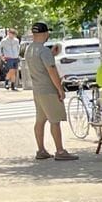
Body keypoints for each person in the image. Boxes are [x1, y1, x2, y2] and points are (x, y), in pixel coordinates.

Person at [25, 22, 75, 161]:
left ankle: (41, 149)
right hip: (48, 90)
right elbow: (51, 71)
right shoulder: (44, 51)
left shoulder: (30, 49)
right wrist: (60, 89)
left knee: (40, 120)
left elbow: (40, 65)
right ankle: (60, 150)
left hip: (37, 89)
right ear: (45, 33)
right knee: (55, 120)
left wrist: (52, 54)